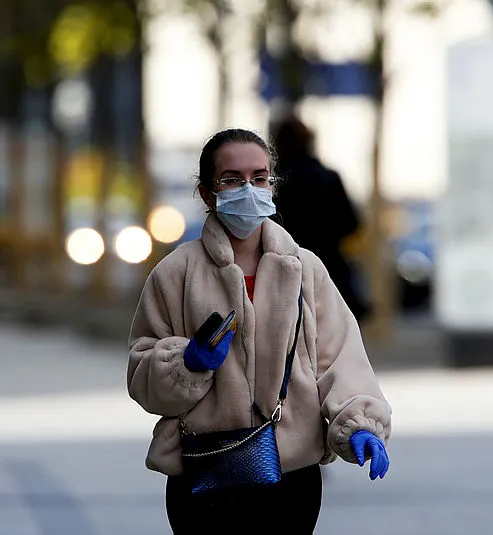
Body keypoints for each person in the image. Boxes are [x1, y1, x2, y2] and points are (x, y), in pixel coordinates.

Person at [126, 128, 392, 534]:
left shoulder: (305, 269)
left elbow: (340, 359)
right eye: (231, 179)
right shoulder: (175, 274)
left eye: (259, 177)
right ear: (207, 192)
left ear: (272, 184)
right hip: (203, 472)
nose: (247, 189)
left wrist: (360, 424)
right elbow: (141, 373)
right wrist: (186, 362)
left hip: (290, 476)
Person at [272, 115, 371, 321]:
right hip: (331, 273)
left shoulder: (275, 184)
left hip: (285, 276)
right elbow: (352, 224)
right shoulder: (329, 178)